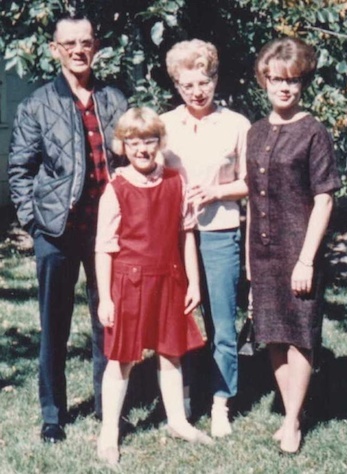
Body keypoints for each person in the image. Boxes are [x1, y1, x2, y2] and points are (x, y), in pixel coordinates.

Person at [8, 16, 127, 443]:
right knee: (54, 324)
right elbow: (20, 170)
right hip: (57, 231)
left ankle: (106, 404)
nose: (79, 50)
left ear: (96, 47)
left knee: (108, 320)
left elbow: (132, 157)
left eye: (86, 42)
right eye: (69, 43)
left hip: (108, 232)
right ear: (55, 50)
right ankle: (53, 415)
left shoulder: (114, 100)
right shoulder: (36, 105)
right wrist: (34, 220)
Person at [95, 107, 212, 466]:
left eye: (149, 141)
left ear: (159, 142)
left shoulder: (175, 181)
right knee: (122, 358)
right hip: (129, 283)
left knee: (171, 352)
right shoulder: (116, 188)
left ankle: (177, 420)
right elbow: (104, 247)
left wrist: (192, 280)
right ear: (122, 145)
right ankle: (109, 432)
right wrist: (105, 298)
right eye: (133, 142)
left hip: (170, 279)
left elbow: (186, 233)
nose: (142, 149)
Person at [246, 37, 341, 454]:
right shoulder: (255, 132)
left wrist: (306, 259)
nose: (285, 87)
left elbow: (325, 197)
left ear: (303, 83)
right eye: (276, 79)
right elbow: (252, 194)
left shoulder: (313, 131)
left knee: (300, 334)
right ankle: (292, 412)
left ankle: (291, 422)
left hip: (299, 250)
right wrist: (251, 261)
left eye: (293, 80)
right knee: (272, 334)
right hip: (263, 252)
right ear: (263, 81)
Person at [161, 39, 250, 437]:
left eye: (204, 82)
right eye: (187, 85)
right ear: (176, 86)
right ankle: (178, 399)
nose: (197, 92)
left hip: (219, 230)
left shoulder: (236, 124)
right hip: (173, 235)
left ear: (215, 79)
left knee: (222, 322)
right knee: (174, 317)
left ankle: (219, 402)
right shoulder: (164, 124)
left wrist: (216, 192)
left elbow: (251, 182)